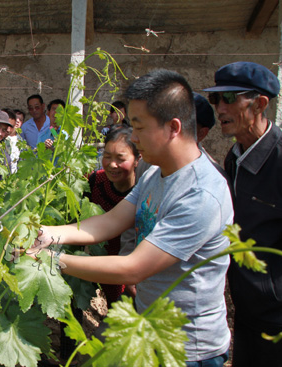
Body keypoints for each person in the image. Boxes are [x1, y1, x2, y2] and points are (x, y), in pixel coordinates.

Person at [30, 69, 233, 366]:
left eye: (138, 127)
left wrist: (50, 260)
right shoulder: (155, 172)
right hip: (148, 325)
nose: (133, 138)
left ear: (173, 127)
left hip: (188, 349)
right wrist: (48, 233)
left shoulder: (202, 194)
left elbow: (133, 268)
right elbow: (111, 220)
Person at [204, 61, 282, 367]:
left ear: (260, 103)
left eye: (229, 98)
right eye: (215, 100)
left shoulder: (279, 161)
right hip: (247, 310)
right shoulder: (235, 158)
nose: (219, 109)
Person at [85, 126, 140, 305]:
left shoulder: (142, 191)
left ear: (137, 160)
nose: (111, 164)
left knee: (116, 307)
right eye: (107, 156)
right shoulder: (95, 181)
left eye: (120, 158)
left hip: (124, 262)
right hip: (93, 258)